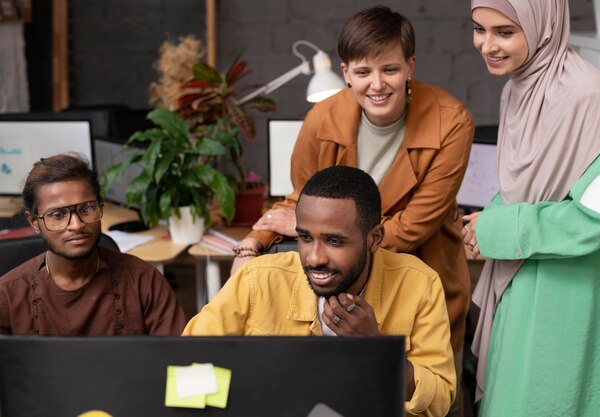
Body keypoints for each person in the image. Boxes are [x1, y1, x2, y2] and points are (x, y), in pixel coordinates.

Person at [232, 8, 474, 412]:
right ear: (345, 72)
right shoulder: (321, 119)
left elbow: (413, 228)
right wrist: (251, 244)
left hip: (422, 277)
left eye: (390, 69)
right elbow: (302, 200)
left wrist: (308, 227)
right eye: (363, 72)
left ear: (410, 66)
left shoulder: (452, 122)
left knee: (429, 398)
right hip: (348, 281)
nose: (377, 85)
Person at [185, 166, 456, 417]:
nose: (314, 258)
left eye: (334, 241)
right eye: (304, 238)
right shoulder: (257, 279)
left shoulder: (420, 284)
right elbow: (185, 369)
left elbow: (440, 401)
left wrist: (377, 350)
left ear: (373, 239)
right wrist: (255, 391)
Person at [464, 1, 600, 415]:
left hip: (569, 291)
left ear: (544, 25)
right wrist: (486, 223)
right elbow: (530, 185)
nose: (487, 46)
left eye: (504, 32)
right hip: (523, 273)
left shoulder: (589, 97)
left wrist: (499, 229)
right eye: (479, 29)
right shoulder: (520, 86)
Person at [0, 153, 187, 336]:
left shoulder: (144, 280)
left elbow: (175, 358)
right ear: (34, 222)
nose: (77, 225)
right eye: (58, 215)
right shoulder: (7, 295)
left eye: (87, 208)